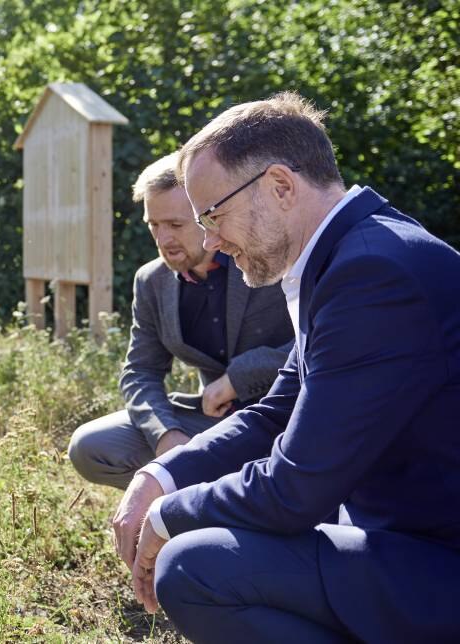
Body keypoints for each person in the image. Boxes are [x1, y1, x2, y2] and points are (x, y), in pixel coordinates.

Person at [114, 92, 460, 643]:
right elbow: (275, 413)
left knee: (194, 567)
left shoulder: (371, 275)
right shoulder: (353, 254)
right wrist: (159, 475)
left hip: (439, 561)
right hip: (407, 534)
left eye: (213, 215)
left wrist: (166, 517)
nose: (212, 242)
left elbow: (295, 489)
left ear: (279, 187)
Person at [68, 152, 293, 488]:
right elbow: (140, 371)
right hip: (212, 421)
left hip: (287, 419)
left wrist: (238, 378)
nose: (163, 240)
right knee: (91, 446)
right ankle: (196, 506)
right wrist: (166, 436)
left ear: (209, 216)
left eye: (175, 225)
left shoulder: (265, 259)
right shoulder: (151, 281)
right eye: (153, 225)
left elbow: (317, 341)